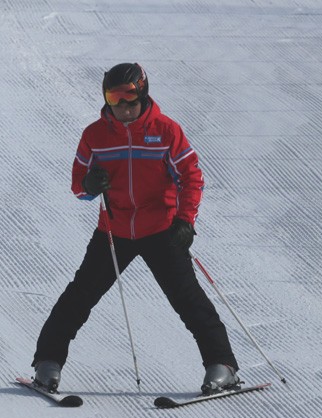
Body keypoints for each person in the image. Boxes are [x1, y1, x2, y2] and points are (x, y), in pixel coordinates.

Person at [31, 63, 239, 394]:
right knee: (79, 296)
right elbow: (78, 188)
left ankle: (222, 365)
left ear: (142, 95)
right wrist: (90, 183)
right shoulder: (95, 136)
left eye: (129, 101)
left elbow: (191, 176)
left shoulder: (166, 131)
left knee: (188, 299)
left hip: (161, 228)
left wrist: (185, 220)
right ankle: (47, 363)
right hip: (114, 231)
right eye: (115, 101)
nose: (124, 110)